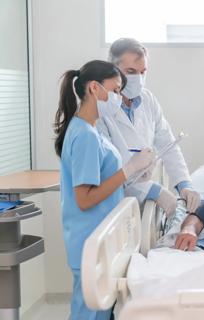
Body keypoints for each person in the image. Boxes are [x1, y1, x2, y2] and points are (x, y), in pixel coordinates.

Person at [54, 60, 154, 320]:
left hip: (98, 236)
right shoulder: (85, 136)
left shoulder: (89, 129)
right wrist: (128, 170)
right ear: (95, 88)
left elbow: (103, 181)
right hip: (89, 238)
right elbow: (85, 199)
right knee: (89, 312)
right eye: (116, 90)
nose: (119, 98)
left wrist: (133, 173)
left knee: (99, 312)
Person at [96, 38, 200, 216]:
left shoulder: (148, 100)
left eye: (143, 72)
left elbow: (168, 145)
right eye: (130, 71)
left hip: (143, 205)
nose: (138, 78)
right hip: (112, 205)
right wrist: (152, 190)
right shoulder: (100, 108)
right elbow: (105, 174)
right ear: (112, 69)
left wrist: (184, 185)